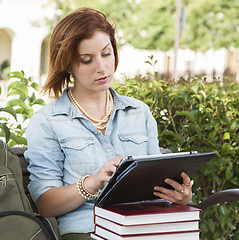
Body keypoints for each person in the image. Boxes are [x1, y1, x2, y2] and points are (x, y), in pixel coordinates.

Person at [24, 8, 193, 240]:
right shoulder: (48, 121)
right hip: (87, 229)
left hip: (144, 226)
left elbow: (157, 186)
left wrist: (179, 195)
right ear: (67, 64)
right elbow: (46, 205)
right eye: (87, 60)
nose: (102, 67)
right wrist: (92, 183)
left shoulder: (139, 112)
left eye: (107, 54)